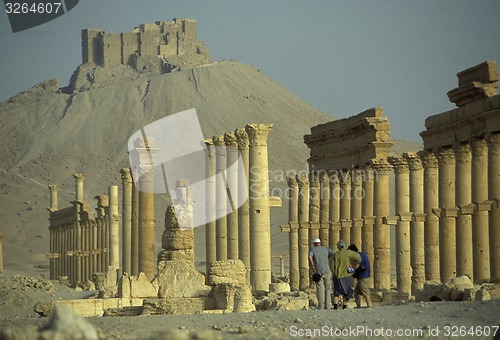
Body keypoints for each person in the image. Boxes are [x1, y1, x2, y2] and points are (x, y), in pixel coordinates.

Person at [329, 240, 361, 309]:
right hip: (346, 274)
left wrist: (334, 273)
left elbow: (331, 265)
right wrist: (355, 264)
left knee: (336, 292)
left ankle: (335, 306)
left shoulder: (335, 255)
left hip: (336, 275)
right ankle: (344, 306)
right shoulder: (349, 253)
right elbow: (358, 257)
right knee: (346, 291)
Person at [308, 238, 335, 309]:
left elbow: (310, 256)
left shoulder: (312, 250)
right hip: (328, 271)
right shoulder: (326, 249)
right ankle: (328, 306)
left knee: (320, 289)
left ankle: (321, 306)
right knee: (328, 289)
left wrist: (313, 267)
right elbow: (334, 253)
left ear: (314, 244)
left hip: (318, 272)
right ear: (320, 243)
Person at [347, 244, 372, 308]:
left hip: (363, 277)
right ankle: (358, 306)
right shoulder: (363, 254)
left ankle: (369, 305)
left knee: (365, 292)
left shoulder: (358, 256)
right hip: (363, 276)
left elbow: (357, 266)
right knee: (356, 292)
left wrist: (350, 271)